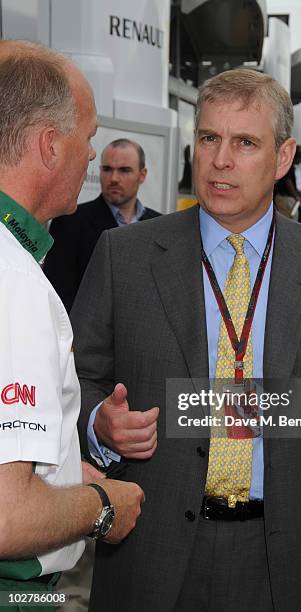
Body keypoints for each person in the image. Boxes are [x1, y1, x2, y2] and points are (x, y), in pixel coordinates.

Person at [71, 69, 301, 612]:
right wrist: (99, 420)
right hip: (151, 553)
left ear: (283, 158)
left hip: (292, 563)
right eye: (210, 138)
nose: (220, 160)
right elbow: (76, 381)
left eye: (245, 142)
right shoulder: (124, 257)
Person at [0, 41, 143, 609]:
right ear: (48, 145)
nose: (92, 157)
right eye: (87, 138)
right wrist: (102, 504)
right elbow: (8, 516)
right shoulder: (14, 280)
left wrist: (60, 469)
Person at [43, 138, 161, 312]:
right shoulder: (70, 221)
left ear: (142, 175)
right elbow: (58, 295)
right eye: (107, 169)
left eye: (124, 170)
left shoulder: (159, 225)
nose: (114, 178)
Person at [273, 144, 301, 220]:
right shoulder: (288, 166)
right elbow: (288, 182)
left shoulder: (296, 167)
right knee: (291, 219)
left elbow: (300, 182)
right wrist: (295, 196)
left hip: (292, 198)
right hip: (285, 197)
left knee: (297, 219)